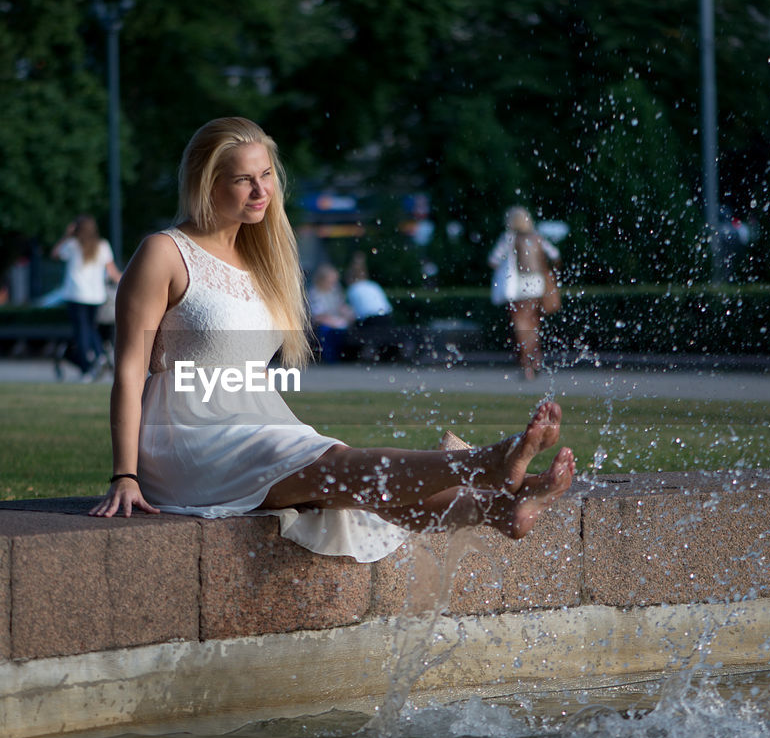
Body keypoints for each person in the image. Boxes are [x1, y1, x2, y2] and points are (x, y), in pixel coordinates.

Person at [89, 117, 575, 562]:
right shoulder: (165, 252)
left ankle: (499, 509)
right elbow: (129, 372)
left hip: (255, 421)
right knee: (338, 468)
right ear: (205, 182)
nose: (261, 191)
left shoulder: (262, 261)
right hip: (186, 438)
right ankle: (488, 463)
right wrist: (125, 475)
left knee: (350, 490)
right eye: (243, 179)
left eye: (267, 175)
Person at [488, 206, 562, 380]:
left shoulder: (509, 238)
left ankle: (527, 364)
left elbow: (493, 260)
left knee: (521, 325)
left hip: (518, 286)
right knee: (534, 325)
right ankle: (536, 360)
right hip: (537, 285)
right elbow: (555, 254)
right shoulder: (537, 237)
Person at [52, 215, 122, 382]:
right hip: (96, 296)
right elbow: (113, 272)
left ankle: (88, 366)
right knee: (90, 328)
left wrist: (67, 235)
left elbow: (54, 254)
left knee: (81, 331)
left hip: (76, 295)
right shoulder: (102, 245)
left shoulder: (72, 245)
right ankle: (99, 355)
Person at [306, 263, 353, 363]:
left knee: (341, 331)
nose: (333, 283)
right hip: (320, 323)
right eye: (331, 281)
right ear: (323, 280)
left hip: (336, 321)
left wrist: (347, 313)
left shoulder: (334, 291)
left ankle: (340, 357)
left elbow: (341, 306)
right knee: (327, 331)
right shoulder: (314, 293)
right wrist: (332, 321)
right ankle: (330, 359)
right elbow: (317, 315)